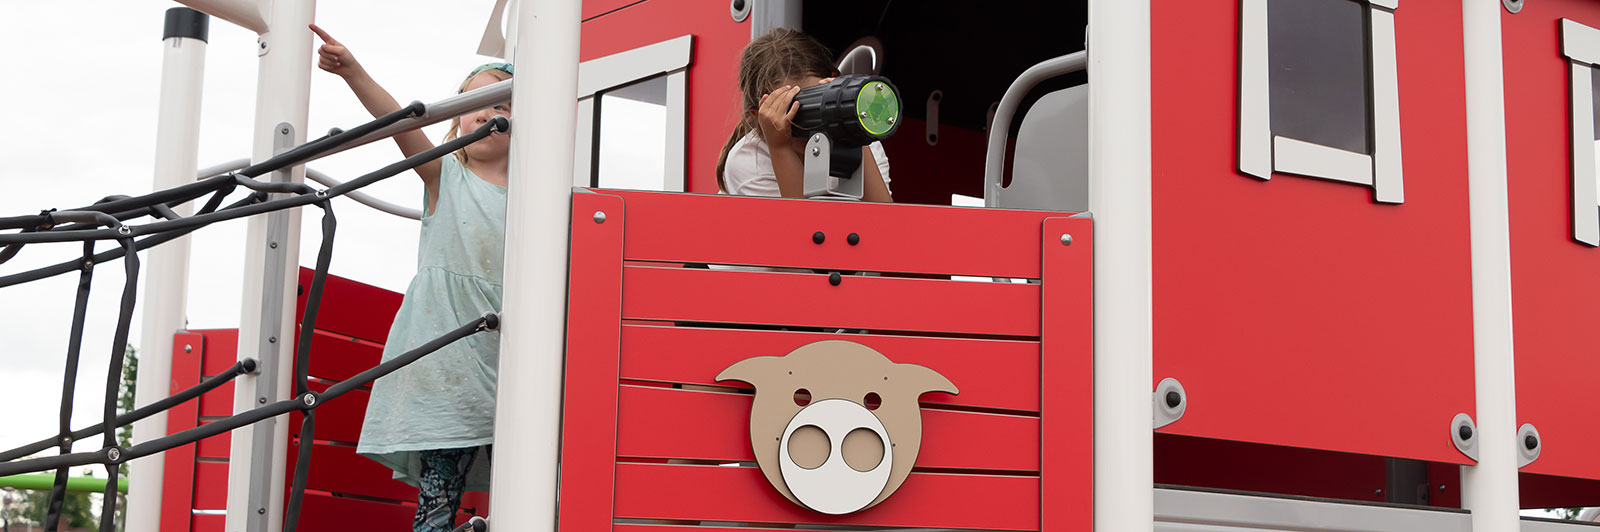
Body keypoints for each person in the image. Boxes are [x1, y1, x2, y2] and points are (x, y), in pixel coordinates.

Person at [311, 24, 508, 532]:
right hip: (445, 359)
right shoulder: (446, 174)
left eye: (503, 104)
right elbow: (399, 121)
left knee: (528, 478)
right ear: (458, 118)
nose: (488, 112)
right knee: (440, 493)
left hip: (507, 359)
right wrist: (354, 71)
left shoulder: (539, 195)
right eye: (475, 102)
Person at [717, 28, 894, 202]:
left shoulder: (861, 140)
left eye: (814, 104)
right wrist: (780, 148)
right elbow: (803, 226)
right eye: (790, 112)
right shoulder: (749, 160)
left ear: (834, 80)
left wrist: (849, 124)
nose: (807, 124)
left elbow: (883, 219)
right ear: (759, 116)